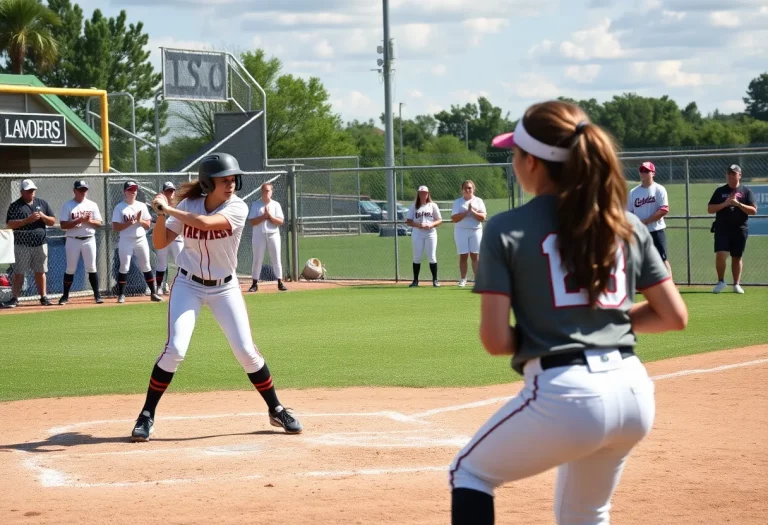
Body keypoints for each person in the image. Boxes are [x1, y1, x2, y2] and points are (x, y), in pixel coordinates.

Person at [449, 100, 688, 525]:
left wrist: (559, 331)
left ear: (535, 164)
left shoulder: (507, 227)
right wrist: (597, 325)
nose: (514, 161)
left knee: (470, 472)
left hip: (566, 392)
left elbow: (495, 340)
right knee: (587, 513)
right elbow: (673, 316)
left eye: (516, 153)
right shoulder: (626, 223)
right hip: (633, 390)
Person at [130, 152, 302, 442]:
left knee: (246, 350)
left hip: (225, 287)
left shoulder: (237, 207)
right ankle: (146, 415)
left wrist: (170, 210)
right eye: (224, 180)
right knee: (175, 349)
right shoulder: (187, 205)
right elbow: (160, 241)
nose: (231, 183)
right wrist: (162, 213)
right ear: (209, 183)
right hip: (188, 285)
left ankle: (276, 408)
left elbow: (207, 224)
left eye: (233, 178)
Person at [2, 179, 55, 308]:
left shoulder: (42, 203)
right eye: (28, 191)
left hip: (39, 244)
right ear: (22, 192)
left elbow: (52, 221)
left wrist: (43, 216)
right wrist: (27, 220)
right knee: (19, 272)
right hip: (22, 245)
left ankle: (43, 297)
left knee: (40, 271)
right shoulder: (15, 206)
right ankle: (15, 298)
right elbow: (10, 224)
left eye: (32, 190)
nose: (31, 193)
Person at [707, 164, 758, 294]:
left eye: (733, 174)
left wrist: (738, 204)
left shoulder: (746, 192)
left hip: (740, 229)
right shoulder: (720, 191)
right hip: (722, 228)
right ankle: (721, 281)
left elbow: (753, 211)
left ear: (739, 175)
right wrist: (725, 204)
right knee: (721, 254)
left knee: (737, 257)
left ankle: (736, 284)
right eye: (728, 174)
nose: (730, 176)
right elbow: (710, 209)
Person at [112, 180, 162, 304]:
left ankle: (153, 293)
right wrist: (129, 223)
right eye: (130, 189)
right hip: (126, 240)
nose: (133, 192)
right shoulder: (120, 207)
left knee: (146, 265)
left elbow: (147, 225)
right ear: (125, 192)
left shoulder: (141, 205)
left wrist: (139, 221)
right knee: (124, 266)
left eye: (135, 189)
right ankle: (121, 294)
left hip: (140, 239)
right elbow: (115, 227)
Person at [58, 180, 104, 305]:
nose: (83, 192)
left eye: (85, 190)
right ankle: (65, 296)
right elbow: (63, 225)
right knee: (70, 268)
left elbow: (99, 223)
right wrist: (77, 220)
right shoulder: (68, 205)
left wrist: (87, 221)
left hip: (89, 239)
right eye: (80, 190)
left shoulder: (92, 205)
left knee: (92, 267)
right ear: (75, 191)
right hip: (73, 239)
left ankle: (97, 295)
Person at [627, 161, 672, 277]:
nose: (643, 173)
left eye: (647, 171)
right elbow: (629, 212)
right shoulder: (633, 192)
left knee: (662, 259)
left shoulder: (659, 189)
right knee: (639, 260)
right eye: (641, 170)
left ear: (653, 173)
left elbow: (664, 210)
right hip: (639, 232)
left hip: (656, 230)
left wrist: (645, 222)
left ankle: (670, 286)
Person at [248, 182, 287, 292]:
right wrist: (263, 216)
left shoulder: (276, 205)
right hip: (259, 235)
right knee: (257, 259)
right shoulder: (256, 204)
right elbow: (252, 221)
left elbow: (280, 221)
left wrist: (270, 216)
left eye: (268, 190)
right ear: (261, 192)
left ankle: (280, 282)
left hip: (273, 234)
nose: (266, 193)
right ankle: (254, 283)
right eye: (264, 190)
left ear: (271, 192)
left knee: (276, 258)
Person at [451, 180, 487, 287]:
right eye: (465, 188)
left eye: (470, 188)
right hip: (461, 230)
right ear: (462, 190)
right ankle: (463, 279)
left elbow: (483, 217)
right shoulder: (458, 202)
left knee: (475, 256)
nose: (468, 190)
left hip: (475, 230)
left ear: (473, 189)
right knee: (463, 255)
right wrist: (466, 212)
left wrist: (473, 211)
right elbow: (454, 218)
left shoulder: (479, 201)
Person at [405, 185, 442, 287]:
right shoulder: (414, 206)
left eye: (425, 193)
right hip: (418, 233)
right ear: (418, 194)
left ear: (428, 194)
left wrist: (431, 224)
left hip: (430, 233)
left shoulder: (432, 205)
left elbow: (439, 220)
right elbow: (408, 221)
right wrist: (418, 225)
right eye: (421, 193)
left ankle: (435, 280)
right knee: (417, 257)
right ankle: (415, 281)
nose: (423, 194)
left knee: (432, 256)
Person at [154, 182, 183, 295]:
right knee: (162, 263)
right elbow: (153, 221)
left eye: (172, 191)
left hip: (177, 238)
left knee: (180, 263)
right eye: (168, 191)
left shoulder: (180, 206)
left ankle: (179, 286)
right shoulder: (159, 205)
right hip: (163, 238)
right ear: (163, 192)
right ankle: (159, 287)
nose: (170, 193)